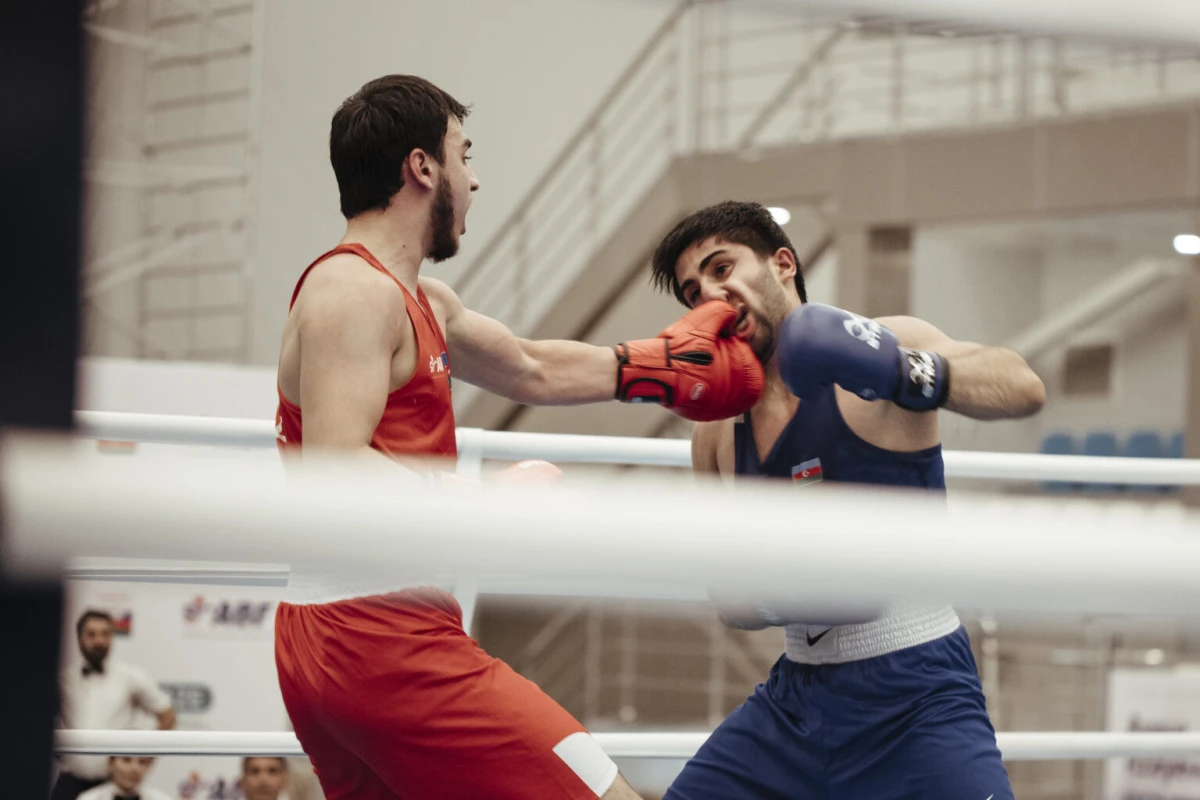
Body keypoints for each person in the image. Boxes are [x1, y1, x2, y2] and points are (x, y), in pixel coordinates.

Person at [272, 75, 765, 800]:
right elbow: (337, 474)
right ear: (422, 168)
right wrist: (482, 498)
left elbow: (531, 367)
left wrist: (655, 368)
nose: (476, 179)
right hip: (376, 637)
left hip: (350, 634)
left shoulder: (418, 297)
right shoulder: (354, 294)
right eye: (463, 156)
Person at [648, 201, 1047, 800]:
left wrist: (900, 373)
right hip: (793, 705)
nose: (710, 294)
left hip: (919, 694)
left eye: (722, 267)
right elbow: (727, 598)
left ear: (783, 263)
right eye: (693, 291)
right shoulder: (714, 430)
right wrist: (779, 589)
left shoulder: (886, 341)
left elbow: (1022, 386)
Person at [55, 611, 175, 800]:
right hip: (70, 780)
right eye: (92, 634)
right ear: (79, 639)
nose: (99, 641)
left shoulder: (130, 677)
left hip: (112, 785)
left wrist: (147, 754)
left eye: (105, 634)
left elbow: (168, 715)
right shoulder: (63, 677)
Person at [76, 756, 172, 800]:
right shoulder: (89, 798)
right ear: (110, 763)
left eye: (142, 762)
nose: (134, 768)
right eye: (126, 760)